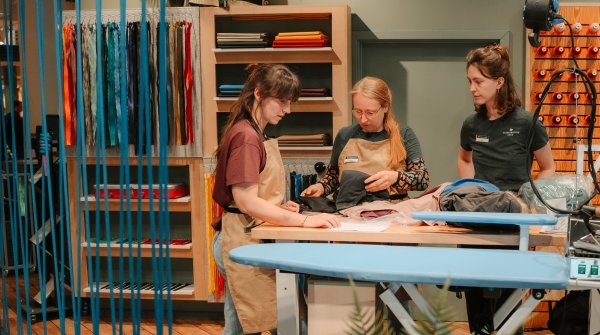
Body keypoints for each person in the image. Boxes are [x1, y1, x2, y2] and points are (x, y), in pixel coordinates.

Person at [211, 63, 341, 335]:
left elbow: (251, 197)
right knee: (249, 322)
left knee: (243, 322)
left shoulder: (253, 132)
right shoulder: (247, 136)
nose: (287, 109)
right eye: (281, 101)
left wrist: (275, 208)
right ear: (258, 94)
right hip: (239, 240)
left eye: (289, 102)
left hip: (244, 235)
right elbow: (245, 201)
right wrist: (303, 221)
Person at [457, 44, 556, 335]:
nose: (472, 88)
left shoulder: (527, 123)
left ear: (499, 82)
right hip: (477, 221)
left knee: (508, 307)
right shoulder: (471, 124)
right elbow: (464, 159)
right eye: (470, 81)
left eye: (479, 81)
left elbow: (548, 167)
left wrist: (529, 201)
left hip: (515, 224)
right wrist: (470, 189)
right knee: (476, 304)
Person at [301, 76, 429, 200]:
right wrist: (321, 187)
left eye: (370, 113)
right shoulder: (345, 135)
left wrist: (394, 178)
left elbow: (422, 179)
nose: (363, 119)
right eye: (358, 111)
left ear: (385, 107)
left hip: (392, 211)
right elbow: (333, 177)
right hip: (349, 210)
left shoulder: (404, 134)